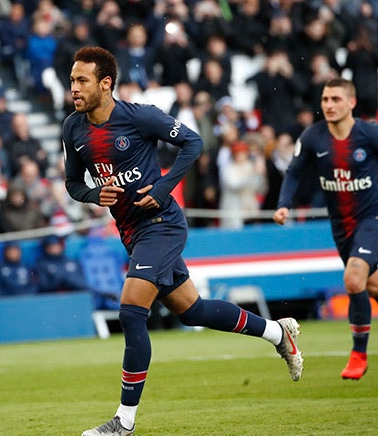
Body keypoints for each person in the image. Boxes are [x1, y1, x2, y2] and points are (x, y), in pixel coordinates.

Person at [62, 46, 303, 436]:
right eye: (72, 80)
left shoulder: (138, 116)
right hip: (132, 232)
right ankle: (278, 333)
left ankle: (124, 421)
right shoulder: (73, 128)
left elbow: (192, 143)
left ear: (105, 84)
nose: (74, 87)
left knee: (130, 311)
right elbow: (73, 183)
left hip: (161, 223)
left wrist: (162, 188)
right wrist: (94, 195)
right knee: (192, 312)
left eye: (82, 80)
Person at [273, 78, 378, 380]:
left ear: (351, 102)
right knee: (372, 285)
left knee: (353, 278)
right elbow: (293, 172)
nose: (329, 105)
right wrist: (284, 204)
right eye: (325, 100)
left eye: (335, 99)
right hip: (341, 227)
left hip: (373, 219)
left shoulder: (370, 133)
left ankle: (359, 354)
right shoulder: (312, 137)